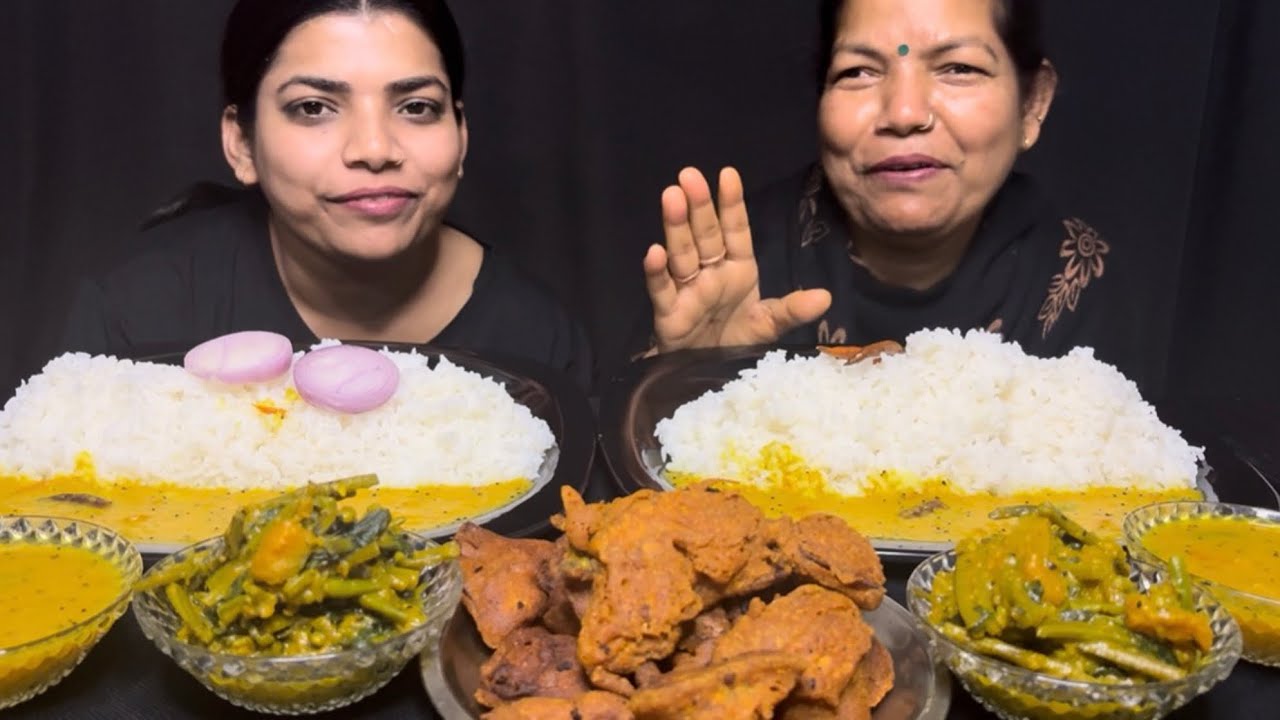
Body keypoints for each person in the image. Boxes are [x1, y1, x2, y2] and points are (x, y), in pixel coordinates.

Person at [58, 0, 592, 389]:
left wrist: (668, 376)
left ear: (461, 134)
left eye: (416, 107)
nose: (375, 148)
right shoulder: (132, 319)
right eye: (314, 107)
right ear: (241, 143)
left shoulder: (539, 340)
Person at [641, 0, 1149, 388]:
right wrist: (680, 376)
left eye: (959, 68)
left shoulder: (1081, 282)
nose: (904, 113)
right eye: (858, 72)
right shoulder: (730, 264)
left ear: (1032, 103)